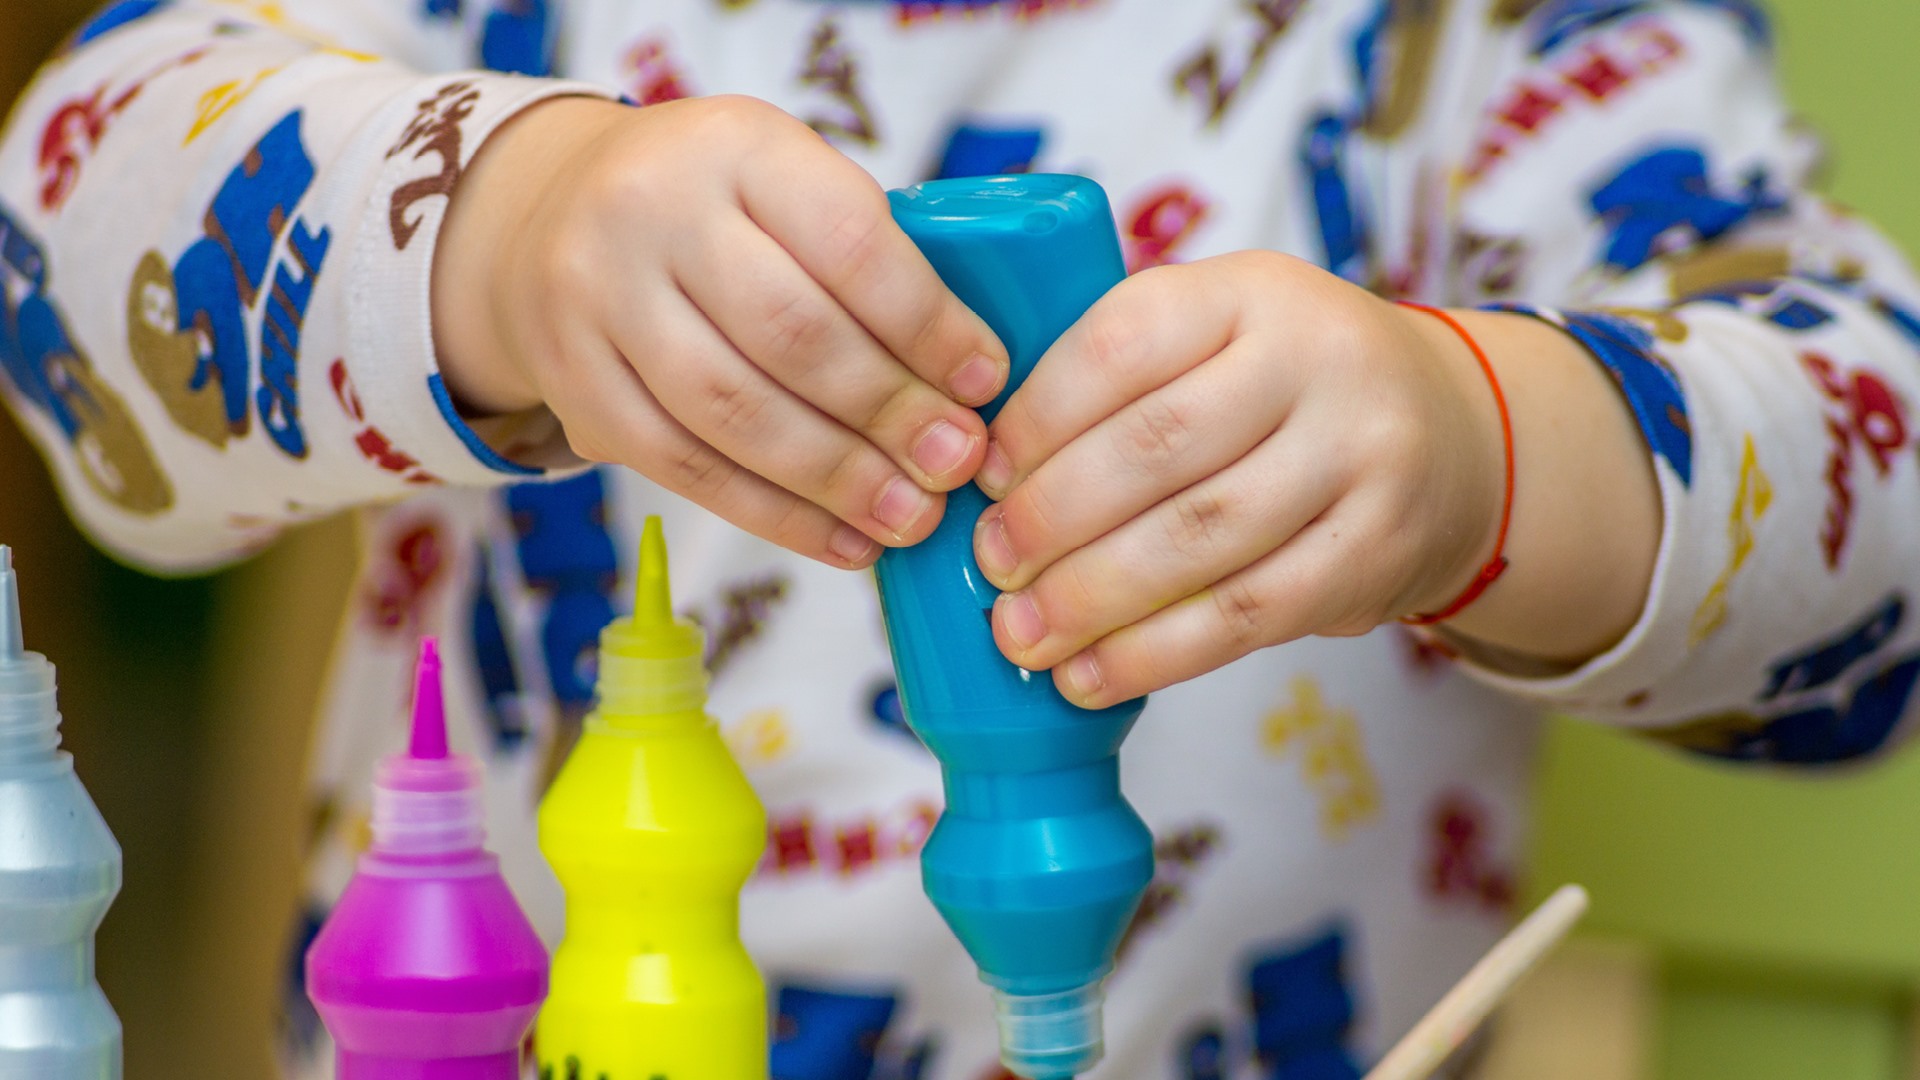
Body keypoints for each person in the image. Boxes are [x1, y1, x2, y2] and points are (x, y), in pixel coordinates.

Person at [3, 0, 1916, 1074]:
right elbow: (65, 274)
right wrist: (506, 232)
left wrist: (1485, 448)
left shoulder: (1476, 41)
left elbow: (1878, 510)